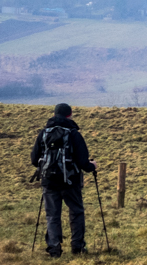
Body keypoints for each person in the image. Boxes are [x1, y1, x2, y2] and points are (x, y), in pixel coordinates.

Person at [30, 103, 97, 257]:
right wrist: (92, 166)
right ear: (70, 115)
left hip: (49, 181)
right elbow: (82, 162)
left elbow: (34, 159)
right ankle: (77, 247)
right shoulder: (73, 134)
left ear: (54, 115)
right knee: (76, 212)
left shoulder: (44, 133)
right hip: (70, 181)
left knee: (52, 215)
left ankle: (54, 249)